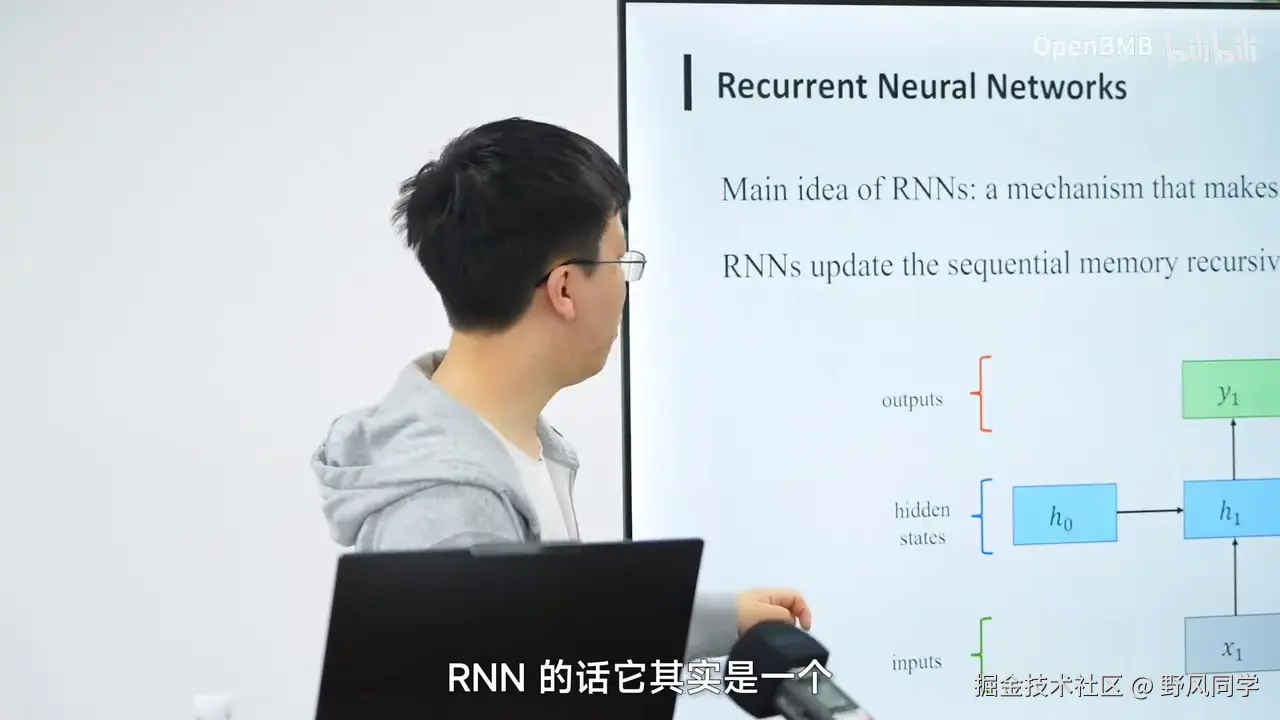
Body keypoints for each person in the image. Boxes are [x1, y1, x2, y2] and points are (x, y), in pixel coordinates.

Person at [310, 117, 812, 660]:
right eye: (621, 262)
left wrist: (719, 621)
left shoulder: (512, 448)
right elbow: (512, 677)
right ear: (565, 288)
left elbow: (548, 630)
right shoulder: (446, 512)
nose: (625, 287)